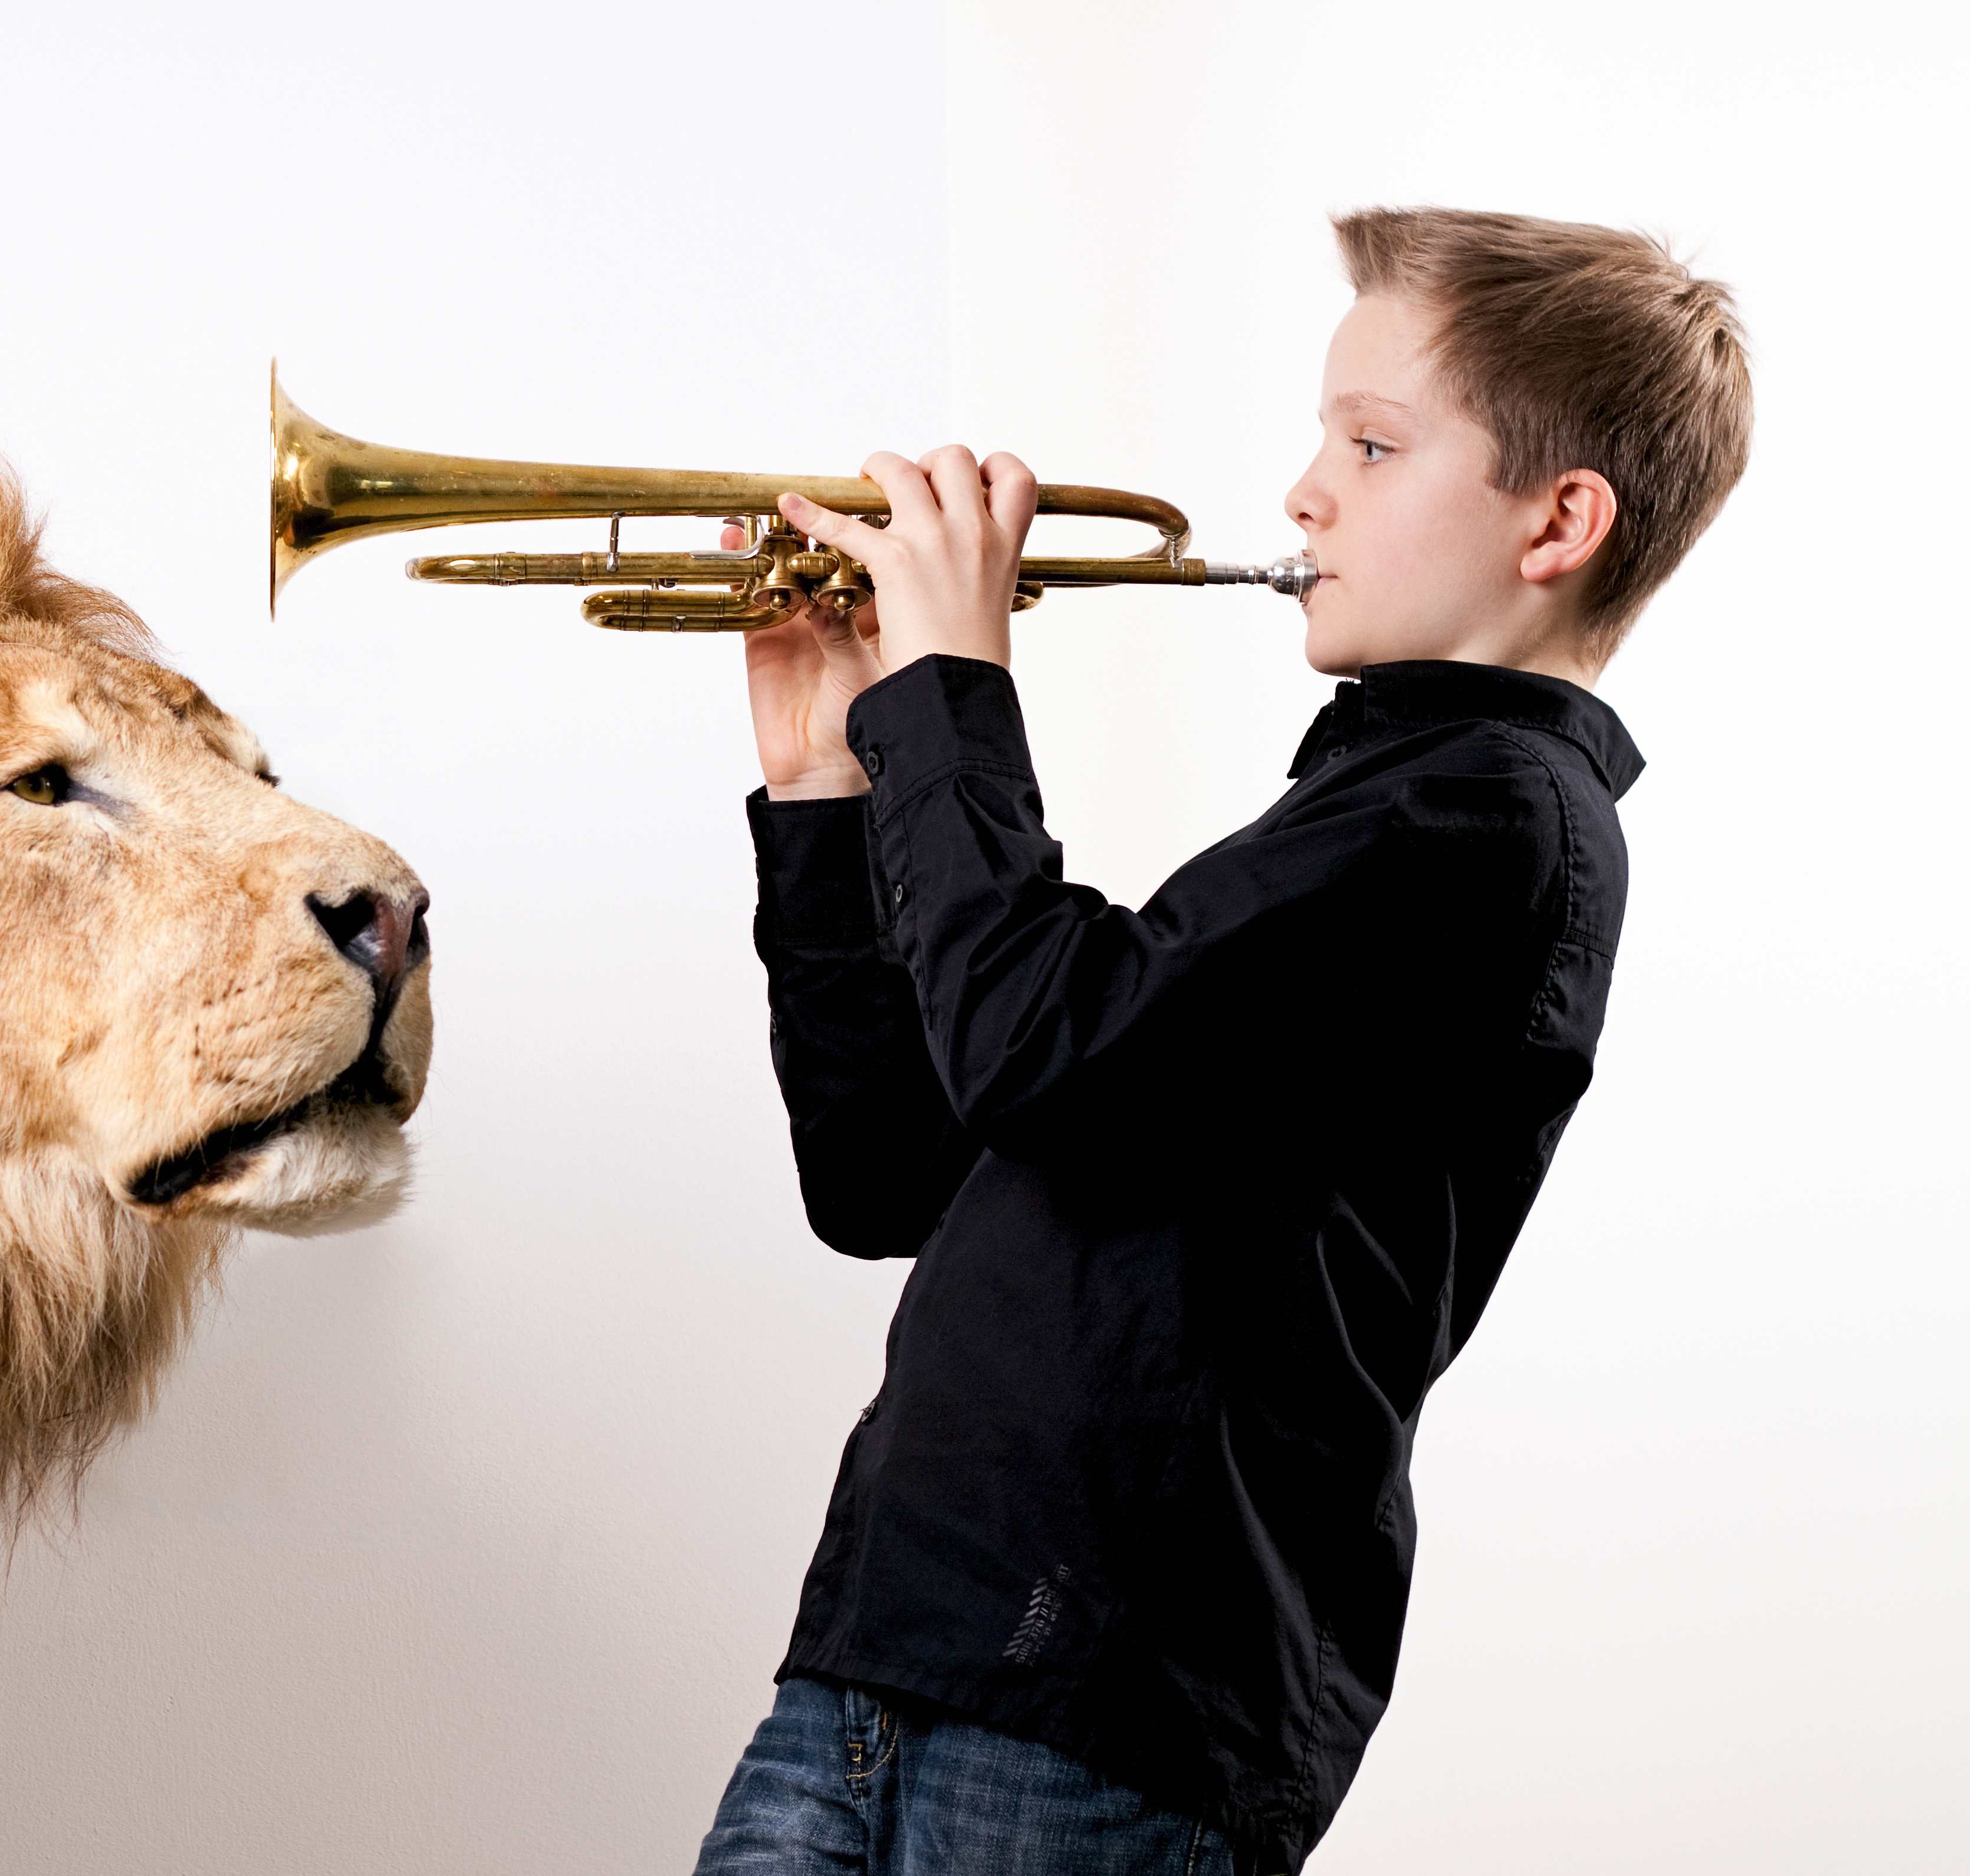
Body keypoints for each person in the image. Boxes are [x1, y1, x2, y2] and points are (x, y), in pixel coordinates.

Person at [694, 208, 1752, 1875]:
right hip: (896, 1653)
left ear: (1560, 520)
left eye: (1373, 441)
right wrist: (834, 789)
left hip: (1099, 1705)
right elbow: (893, 1173)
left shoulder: (1490, 824)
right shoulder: (1370, 806)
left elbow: (1041, 1043)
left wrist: (954, 692)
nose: (1303, 491)